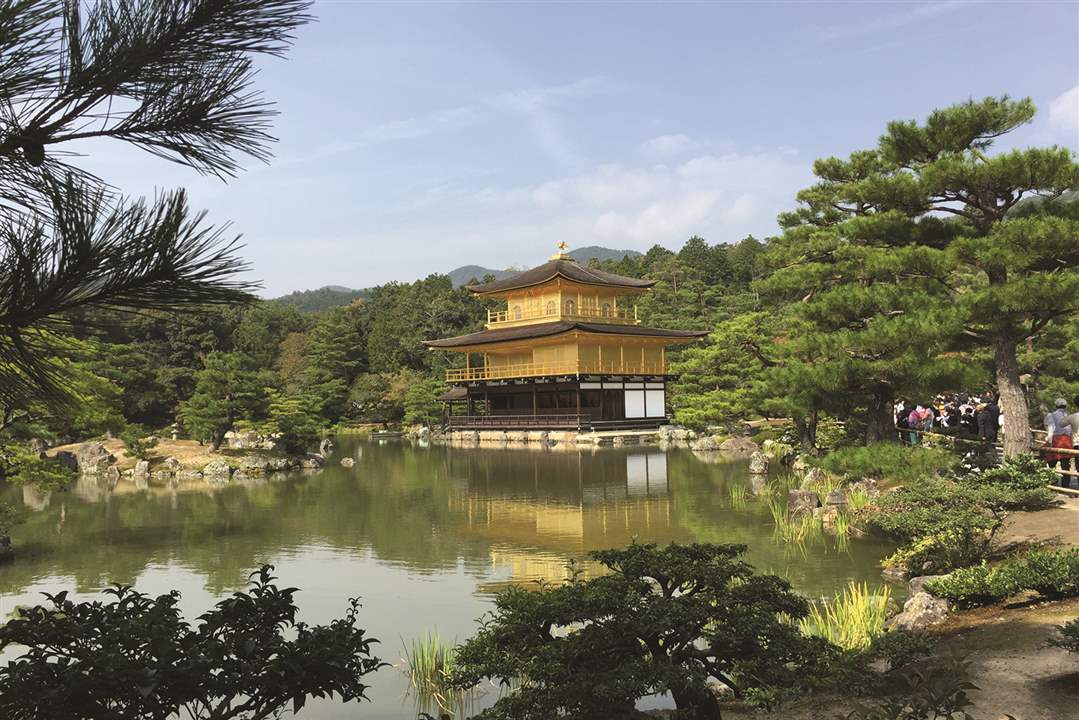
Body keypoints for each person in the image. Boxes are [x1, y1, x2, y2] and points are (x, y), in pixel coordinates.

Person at [1044, 398, 1074, 487]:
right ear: (1065, 406)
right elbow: (1070, 431)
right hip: (1067, 441)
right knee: (1065, 464)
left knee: (1051, 463)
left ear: (1056, 406)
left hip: (1056, 440)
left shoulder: (1051, 415)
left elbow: (1051, 428)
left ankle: (1052, 482)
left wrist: (1049, 441)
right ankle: (1065, 485)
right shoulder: (1068, 416)